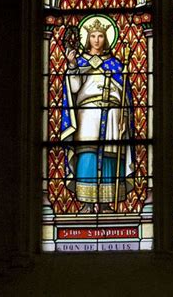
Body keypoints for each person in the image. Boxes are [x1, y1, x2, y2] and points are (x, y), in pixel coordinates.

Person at [61, 18, 134, 213]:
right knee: (87, 153)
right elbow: (74, 88)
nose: (96, 39)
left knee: (110, 154)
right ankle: (86, 202)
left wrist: (124, 116)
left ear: (106, 39)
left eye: (100, 36)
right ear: (87, 38)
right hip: (88, 114)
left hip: (112, 113)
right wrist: (72, 65)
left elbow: (125, 95)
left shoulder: (116, 65)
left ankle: (105, 202)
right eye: (93, 36)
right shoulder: (81, 62)